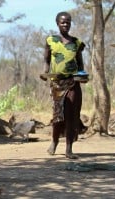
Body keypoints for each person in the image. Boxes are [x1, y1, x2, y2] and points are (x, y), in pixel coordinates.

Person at [41, 12, 87, 159]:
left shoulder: (76, 43)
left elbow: (80, 63)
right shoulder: (51, 41)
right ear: (57, 23)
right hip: (56, 84)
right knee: (57, 116)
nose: (65, 24)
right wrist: (44, 73)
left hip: (72, 82)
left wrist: (82, 75)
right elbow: (47, 60)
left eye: (68, 22)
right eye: (62, 22)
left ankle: (69, 149)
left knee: (71, 115)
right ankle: (54, 141)